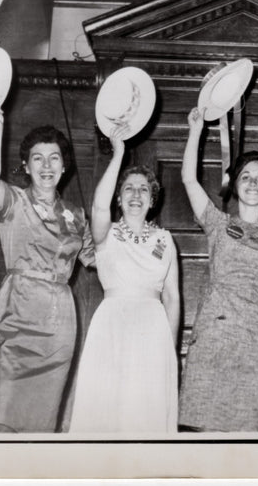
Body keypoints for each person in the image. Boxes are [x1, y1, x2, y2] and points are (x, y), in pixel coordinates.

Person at [0, 98, 93, 432]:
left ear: (64, 166)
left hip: (58, 325)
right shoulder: (14, 201)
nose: (46, 165)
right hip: (16, 315)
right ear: (26, 166)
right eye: (37, 158)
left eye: (54, 157)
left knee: (41, 425)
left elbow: (99, 259)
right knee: (3, 417)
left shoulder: (77, 216)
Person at [178, 107, 258, 432]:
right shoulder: (218, 223)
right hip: (213, 332)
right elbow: (189, 179)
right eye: (245, 176)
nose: (253, 182)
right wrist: (196, 131)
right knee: (200, 429)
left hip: (252, 339)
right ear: (235, 185)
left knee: (242, 434)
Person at [69, 125, 180, 433]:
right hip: (112, 324)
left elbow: (172, 298)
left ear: (152, 199)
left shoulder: (165, 239)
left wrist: (168, 349)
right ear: (119, 198)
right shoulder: (106, 234)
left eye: (143, 189)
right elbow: (98, 206)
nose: (136, 194)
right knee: (107, 406)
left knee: (146, 410)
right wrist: (118, 153)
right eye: (128, 189)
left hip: (153, 329)